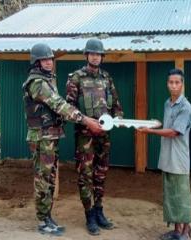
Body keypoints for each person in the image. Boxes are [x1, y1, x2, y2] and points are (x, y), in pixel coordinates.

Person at [23, 43, 103, 236]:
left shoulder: (48, 80)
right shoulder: (38, 83)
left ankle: (48, 217)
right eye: (45, 59)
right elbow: (59, 105)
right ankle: (43, 221)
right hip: (42, 138)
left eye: (51, 59)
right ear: (36, 62)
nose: (49, 62)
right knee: (43, 180)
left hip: (50, 136)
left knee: (50, 179)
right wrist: (84, 120)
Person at [66, 39, 124, 235]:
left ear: (102, 57)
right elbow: (69, 109)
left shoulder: (107, 78)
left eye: (98, 54)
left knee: (101, 174)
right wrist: (87, 122)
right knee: (85, 176)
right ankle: (89, 215)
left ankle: (99, 211)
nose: (95, 56)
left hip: (104, 136)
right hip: (85, 137)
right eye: (92, 53)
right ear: (86, 55)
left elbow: (116, 105)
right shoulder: (76, 78)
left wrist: (117, 119)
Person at [137, 68, 191, 240]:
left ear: (182, 84)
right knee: (170, 195)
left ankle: (186, 232)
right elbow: (167, 125)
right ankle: (176, 231)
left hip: (179, 159)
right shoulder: (167, 103)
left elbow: (174, 132)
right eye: (171, 82)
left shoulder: (185, 106)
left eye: (177, 82)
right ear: (167, 84)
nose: (174, 86)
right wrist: (155, 125)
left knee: (181, 195)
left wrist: (149, 132)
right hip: (167, 156)